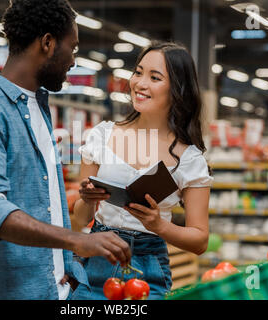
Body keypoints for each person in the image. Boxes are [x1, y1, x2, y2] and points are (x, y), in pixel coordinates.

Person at [0, 0, 130, 300]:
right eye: (72, 48)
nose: (73, 61)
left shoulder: (39, 108)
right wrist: (75, 241)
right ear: (47, 43)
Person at [71, 41, 214, 300]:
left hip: (149, 269)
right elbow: (79, 220)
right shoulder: (102, 136)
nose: (140, 83)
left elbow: (200, 240)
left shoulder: (190, 159)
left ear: (177, 89)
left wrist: (158, 224)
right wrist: (87, 201)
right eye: (138, 72)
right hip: (97, 257)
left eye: (154, 77)